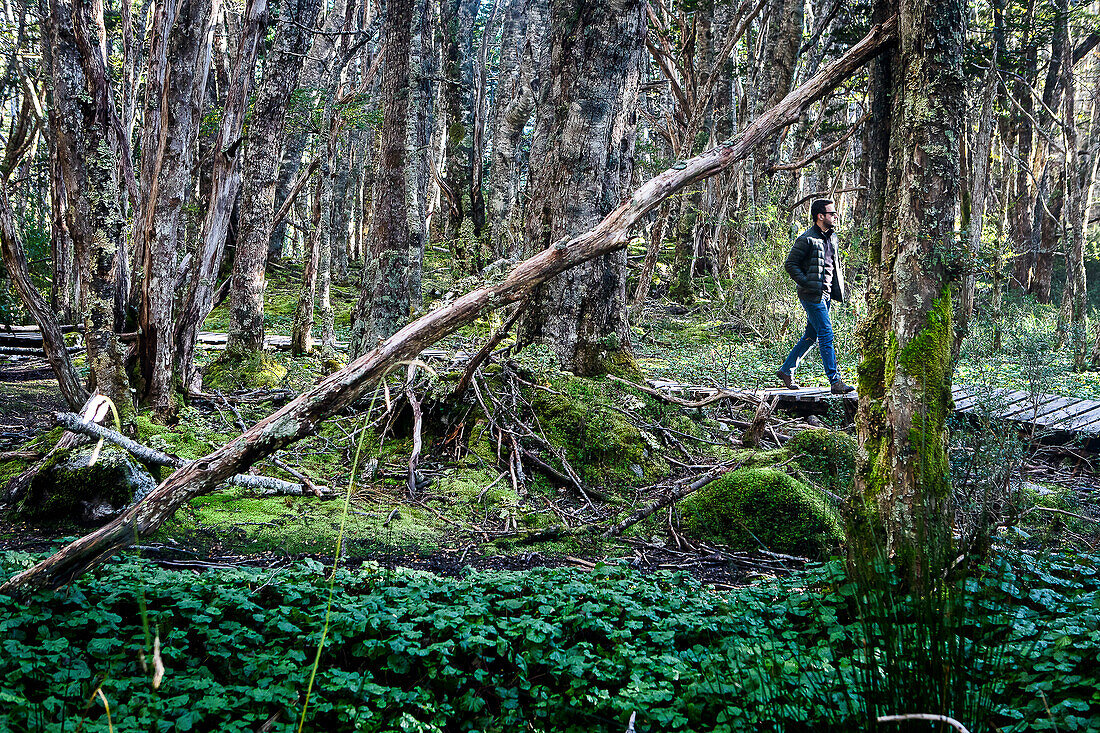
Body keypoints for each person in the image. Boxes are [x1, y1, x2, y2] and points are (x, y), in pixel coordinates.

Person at [776, 198, 855, 394]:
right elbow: (790, 264)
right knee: (826, 333)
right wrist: (807, 282)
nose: (835, 216)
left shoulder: (832, 237)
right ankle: (835, 381)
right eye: (831, 213)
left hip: (826, 294)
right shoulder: (806, 239)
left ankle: (786, 370)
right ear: (820, 216)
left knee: (811, 335)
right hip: (811, 295)